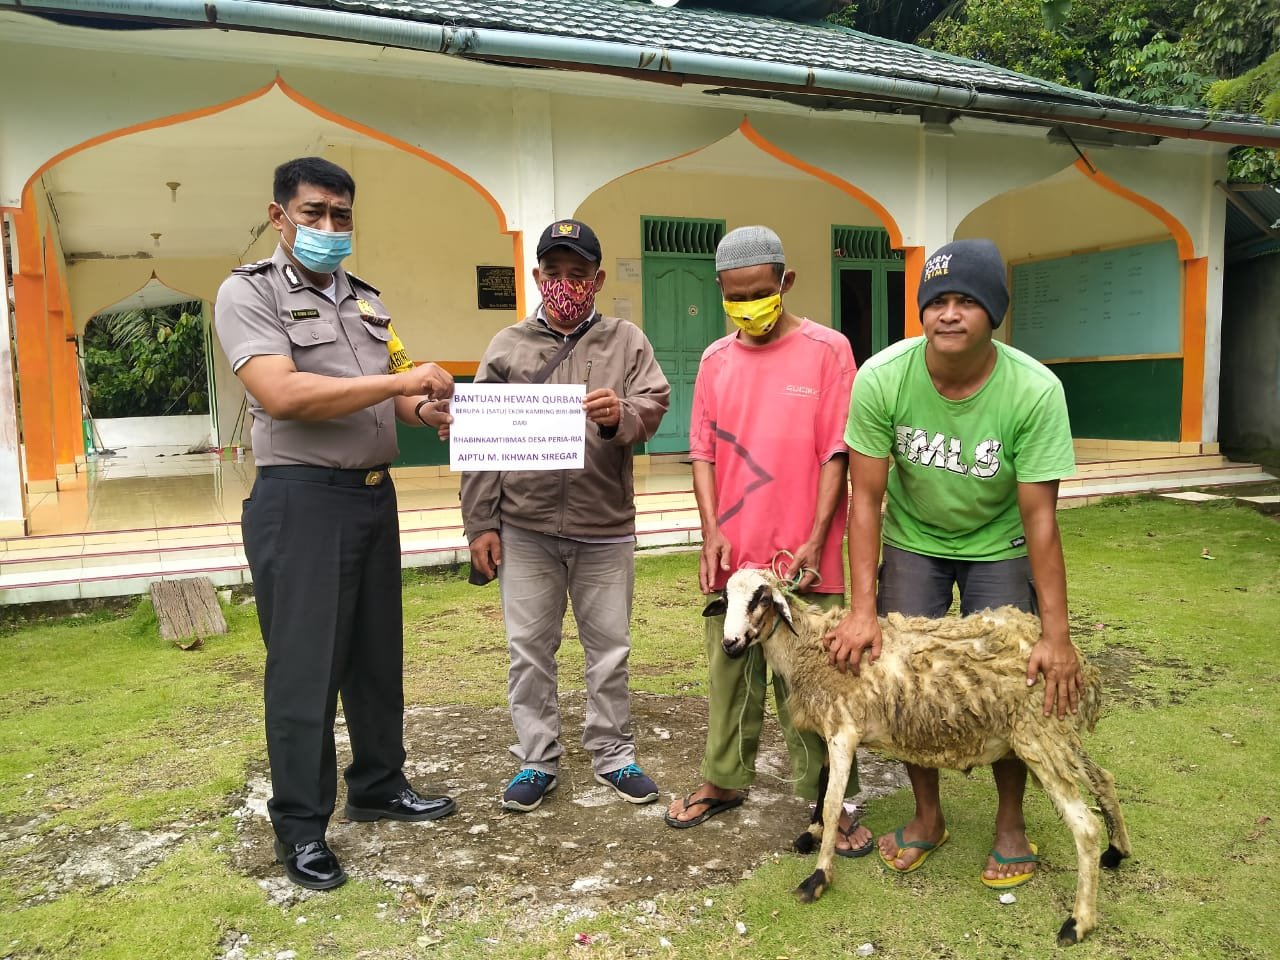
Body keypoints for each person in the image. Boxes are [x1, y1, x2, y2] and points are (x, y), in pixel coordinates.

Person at [214, 156, 458, 892]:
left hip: (371, 497)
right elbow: (283, 392)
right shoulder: (247, 292)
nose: (328, 227)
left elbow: (391, 399)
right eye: (313, 213)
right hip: (302, 502)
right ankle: (299, 825)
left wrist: (430, 410)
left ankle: (380, 785)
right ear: (279, 214)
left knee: (376, 658)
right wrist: (400, 383)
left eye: (341, 216)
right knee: (306, 671)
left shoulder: (366, 300)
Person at [824, 238, 1081, 888]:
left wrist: (1057, 635)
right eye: (938, 300)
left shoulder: (1034, 391)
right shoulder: (883, 379)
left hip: (1000, 545)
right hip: (915, 540)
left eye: (967, 300)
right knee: (910, 683)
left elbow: (1041, 521)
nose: (949, 314)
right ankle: (927, 816)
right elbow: (866, 502)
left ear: (993, 311)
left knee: (1013, 682)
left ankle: (1011, 824)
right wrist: (861, 610)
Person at [663, 225, 871, 857]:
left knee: (813, 682)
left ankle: (832, 796)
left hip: (803, 555)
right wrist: (711, 532)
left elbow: (838, 449)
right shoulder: (714, 361)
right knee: (729, 670)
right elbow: (701, 451)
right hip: (735, 555)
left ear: (786, 283)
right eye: (734, 297)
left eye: (759, 292)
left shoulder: (828, 351)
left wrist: (816, 536)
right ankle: (723, 781)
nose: (748, 306)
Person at [459, 219, 670, 813]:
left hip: (604, 526)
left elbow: (654, 406)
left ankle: (613, 753)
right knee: (528, 648)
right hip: (526, 529)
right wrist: (481, 524)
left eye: (578, 274)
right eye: (554, 272)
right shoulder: (507, 346)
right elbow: (482, 446)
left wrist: (619, 415)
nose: (565, 283)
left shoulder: (628, 341)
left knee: (609, 649)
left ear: (598, 279)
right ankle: (536, 758)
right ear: (536, 276)